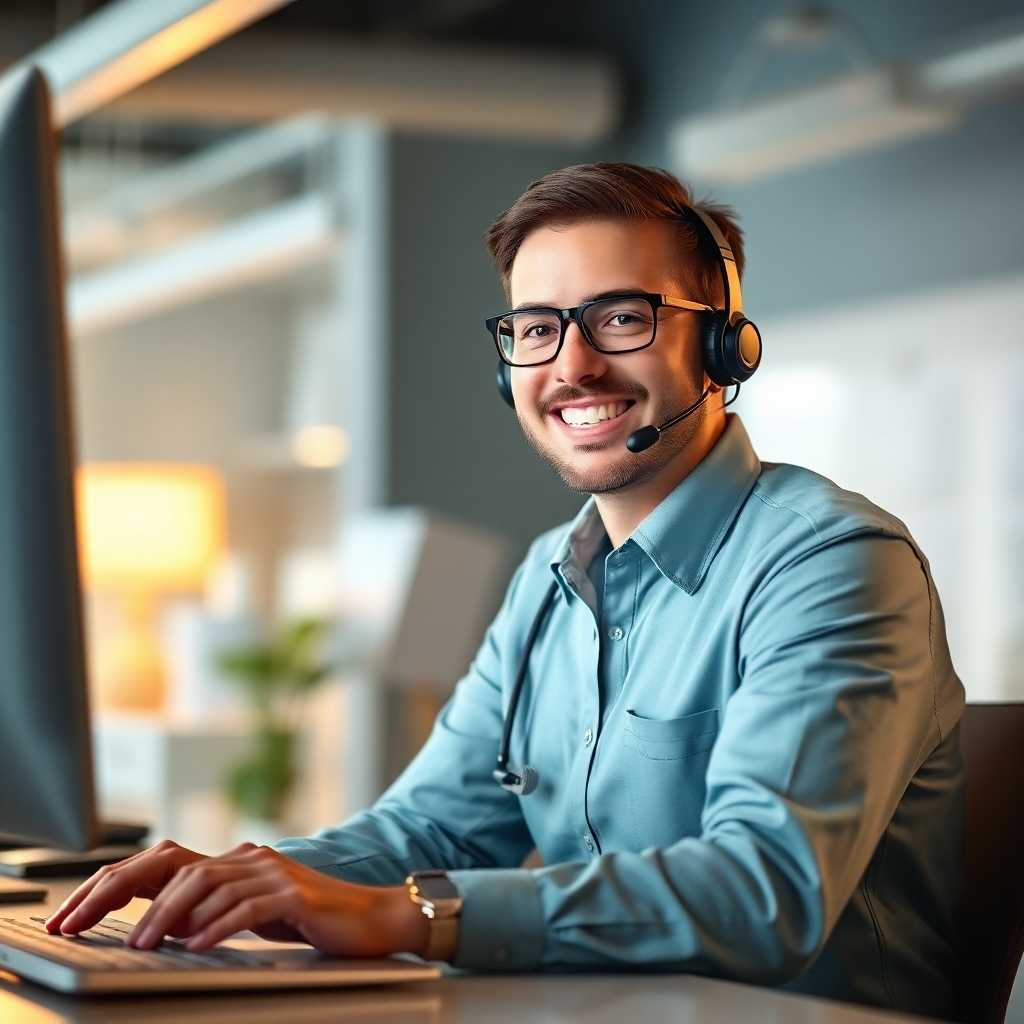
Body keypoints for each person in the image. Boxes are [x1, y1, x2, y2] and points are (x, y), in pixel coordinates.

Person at [47, 163, 964, 1020]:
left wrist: (418, 918)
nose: (571, 366)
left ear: (725, 345)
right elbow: (435, 827)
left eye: (619, 317)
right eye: (535, 328)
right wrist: (250, 877)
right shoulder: (546, 579)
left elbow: (763, 891)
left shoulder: (832, 564)